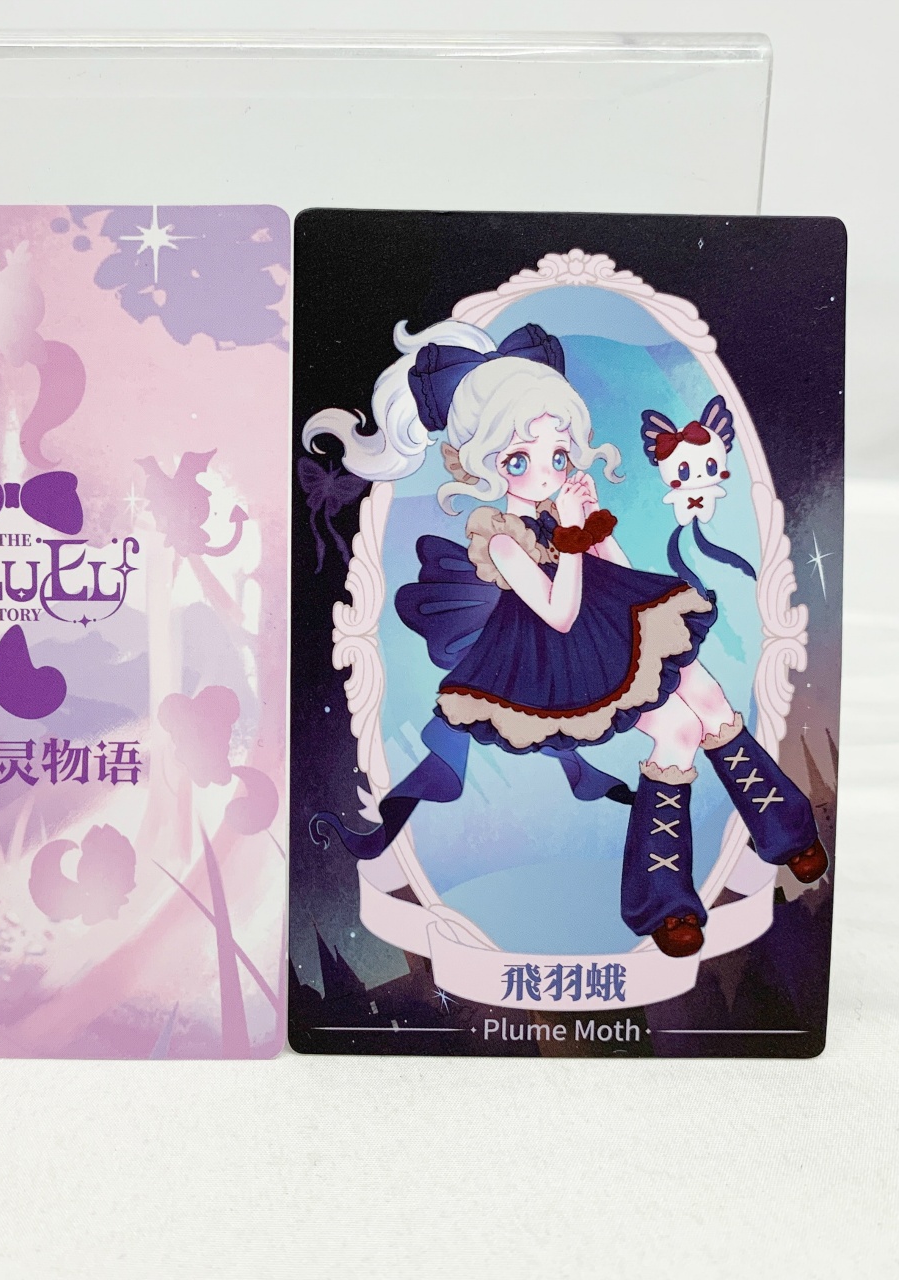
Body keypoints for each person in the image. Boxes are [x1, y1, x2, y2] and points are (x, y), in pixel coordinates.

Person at [307, 320, 827, 958]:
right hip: (560, 660)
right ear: (488, 465)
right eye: (520, 460)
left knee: (711, 700)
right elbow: (558, 612)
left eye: (558, 454)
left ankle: (786, 831)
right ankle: (661, 902)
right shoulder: (500, 537)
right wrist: (574, 533)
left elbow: (623, 574)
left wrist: (591, 523)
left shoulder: (563, 511)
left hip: (616, 621)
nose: (547, 471)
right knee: (676, 730)